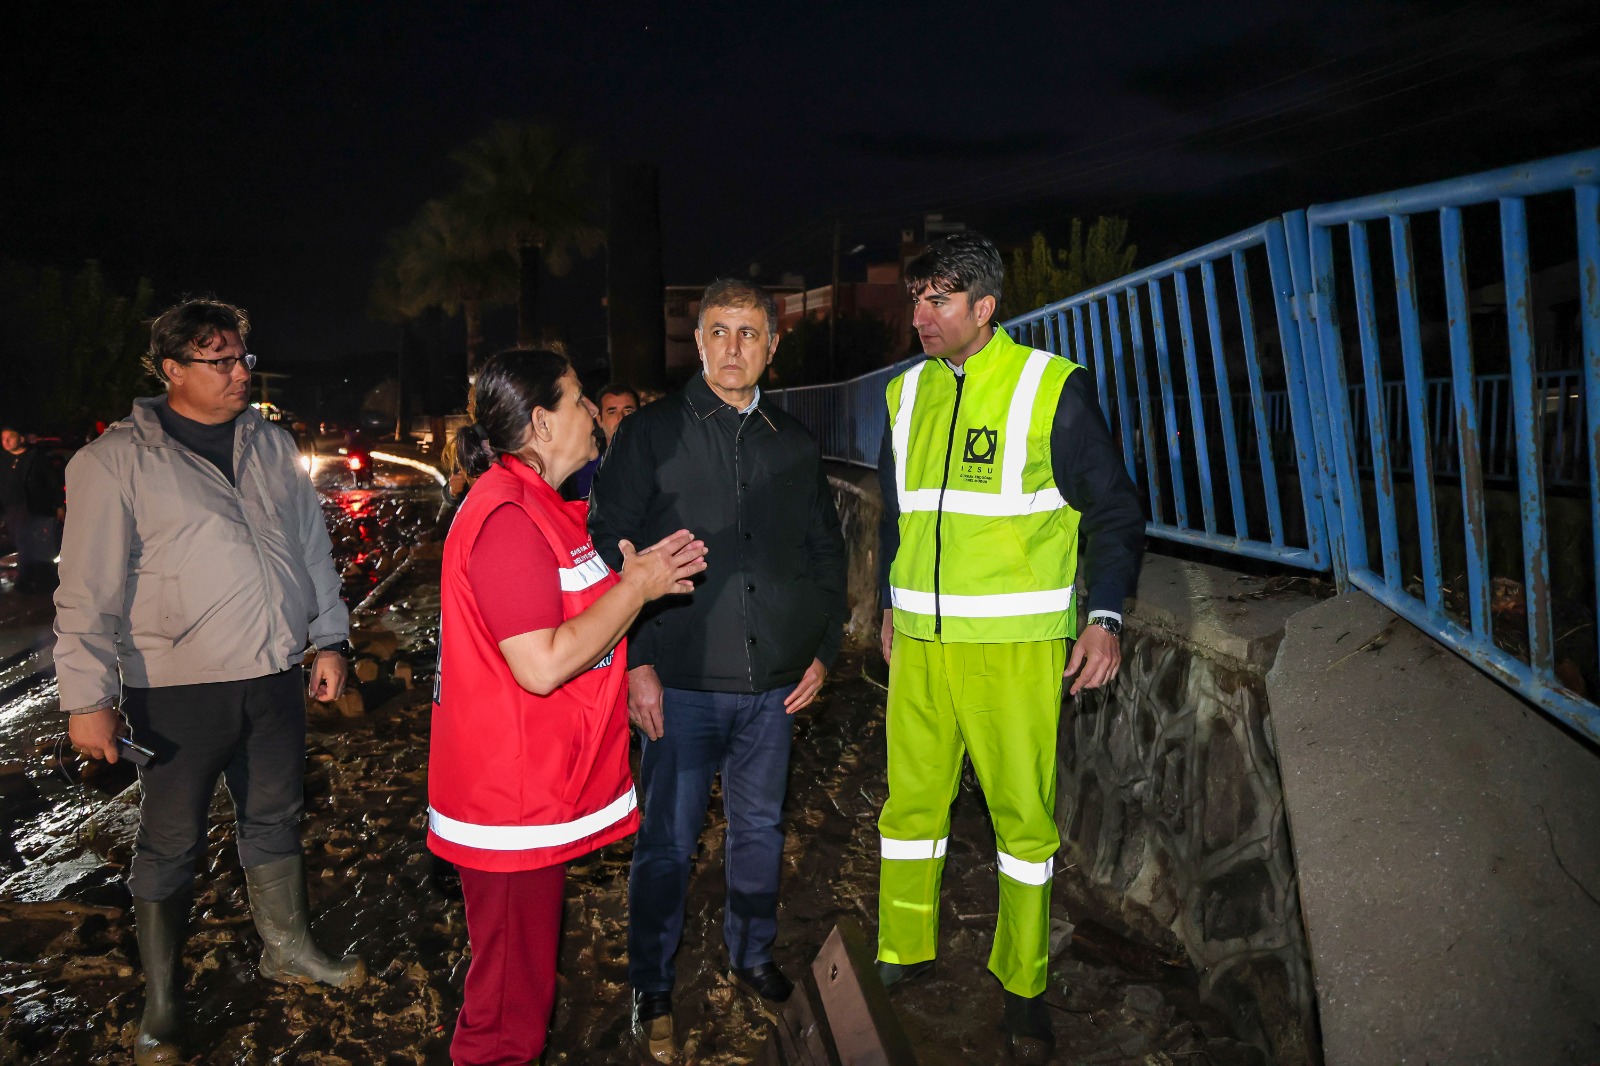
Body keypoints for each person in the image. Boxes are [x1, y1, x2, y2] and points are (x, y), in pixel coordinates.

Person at [54, 298, 365, 1066]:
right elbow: (85, 592)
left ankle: (287, 949)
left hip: (273, 674)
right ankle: (163, 1004)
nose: (239, 373)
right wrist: (87, 699)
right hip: (176, 688)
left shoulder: (270, 444)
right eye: (218, 360)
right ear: (172, 369)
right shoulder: (113, 462)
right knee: (170, 840)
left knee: (275, 815)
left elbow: (310, 550)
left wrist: (330, 639)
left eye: (241, 358)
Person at [874, 234, 1145, 1064]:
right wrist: (885, 603)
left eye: (940, 300)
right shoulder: (903, 395)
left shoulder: (1050, 387)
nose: (921, 316)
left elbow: (1115, 510)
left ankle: (1024, 986)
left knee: (1022, 822)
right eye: (916, 299)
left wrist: (1105, 617)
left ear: (985, 307)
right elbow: (895, 516)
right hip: (920, 644)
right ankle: (902, 949)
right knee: (910, 809)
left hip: (1015, 648)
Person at [589, 278, 848, 1062]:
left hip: (774, 687)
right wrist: (636, 661)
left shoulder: (793, 443)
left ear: (772, 344)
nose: (734, 348)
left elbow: (826, 552)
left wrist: (824, 650)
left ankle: (752, 952)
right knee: (667, 843)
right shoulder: (650, 435)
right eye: (720, 332)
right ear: (698, 342)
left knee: (760, 829)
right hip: (680, 680)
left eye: (750, 332)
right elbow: (609, 546)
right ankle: (652, 983)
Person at [427, 348, 707, 1065]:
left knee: (521, 992)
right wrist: (636, 589)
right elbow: (542, 663)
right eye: (580, 399)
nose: (592, 411)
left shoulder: (543, 506)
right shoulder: (507, 518)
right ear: (543, 423)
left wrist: (637, 579)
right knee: (505, 1015)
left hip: (532, 788)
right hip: (507, 803)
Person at [0, 424, 65, 593]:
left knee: (30, 543)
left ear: (21, 438)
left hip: (32, 506)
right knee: (21, 542)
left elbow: (51, 481)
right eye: (3, 438)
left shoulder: (35, 458)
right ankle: (32, 578)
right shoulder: (4, 460)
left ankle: (29, 579)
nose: (6, 441)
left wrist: (59, 504)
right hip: (11, 508)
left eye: (10, 437)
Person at [565, 382, 639, 501]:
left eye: (628, 411)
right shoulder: (581, 468)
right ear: (599, 420)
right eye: (612, 412)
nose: (621, 418)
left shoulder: (658, 460)